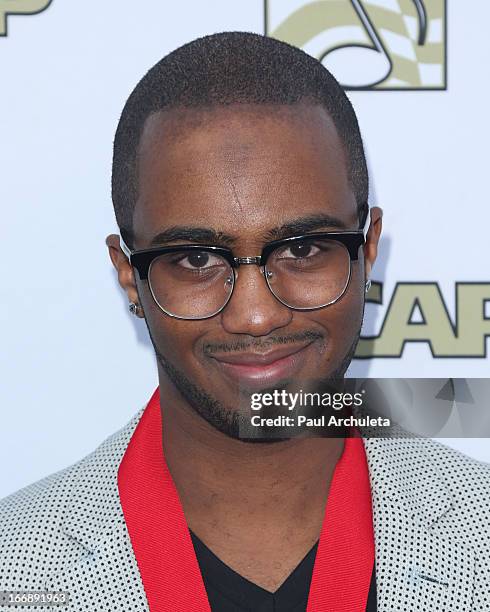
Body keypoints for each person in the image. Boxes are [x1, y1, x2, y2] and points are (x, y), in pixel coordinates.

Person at [1, 31, 489, 612]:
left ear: (368, 248)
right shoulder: (17, 563)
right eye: (197, 259)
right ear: (130, 275)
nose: (255, 316)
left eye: (303, 249)